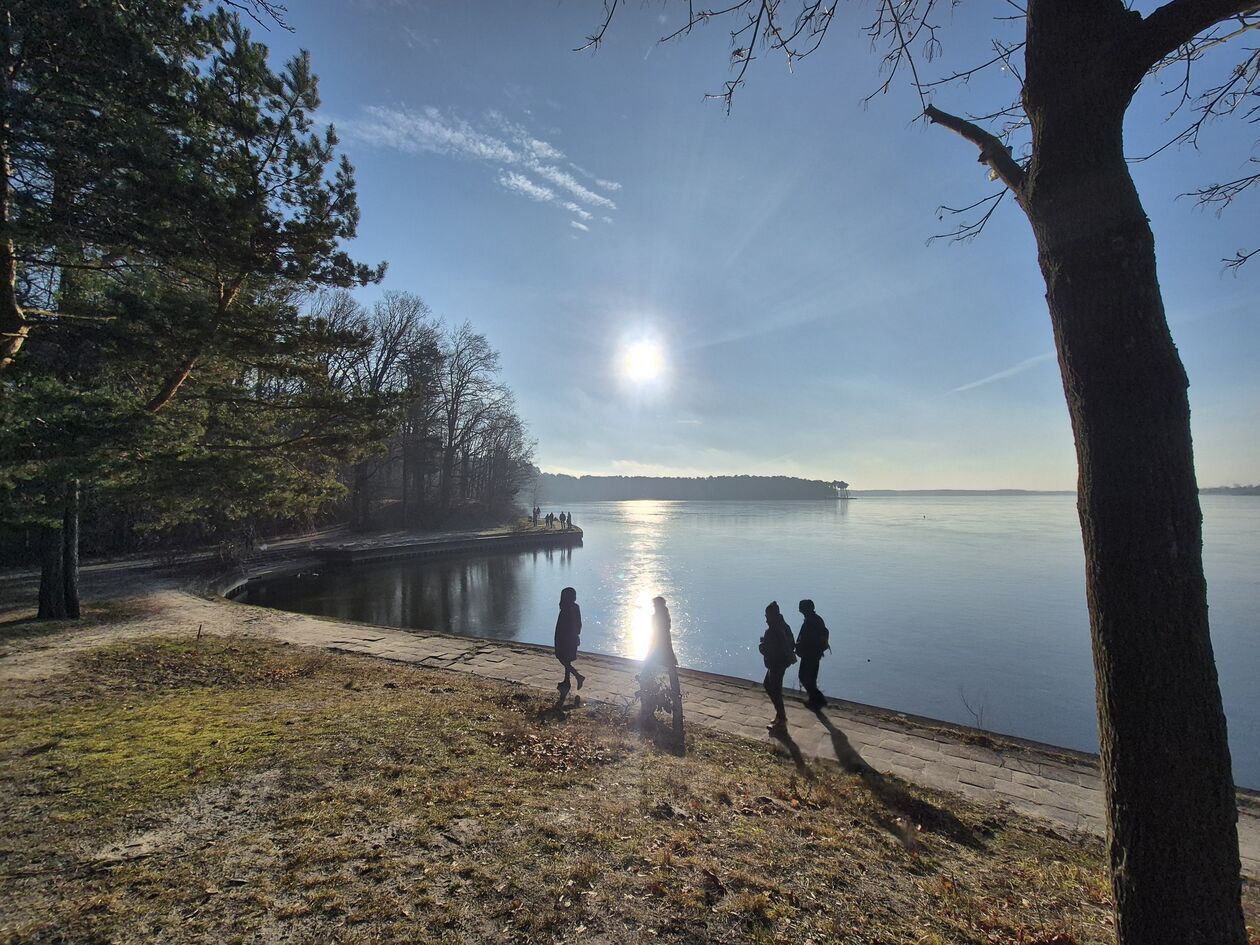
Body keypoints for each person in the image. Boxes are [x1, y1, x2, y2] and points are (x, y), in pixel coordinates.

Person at [639, 596, 679, 722]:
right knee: (670, 668)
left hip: (658, 647)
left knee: (647, 672)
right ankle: (672, 692)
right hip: (665, 645)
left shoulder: (656, 617)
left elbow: (654, 635)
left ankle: (648, 701)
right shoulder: (666, 615)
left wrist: (649, 651)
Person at [759, 601, 797, 732]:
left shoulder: (773, 630)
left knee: (774, 690)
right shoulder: (784, 625)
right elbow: (791, 642)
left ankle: (781, 719)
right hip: (782, 662)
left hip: (776, 664)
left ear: (772, 615)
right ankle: (779, 715)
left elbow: (768, 650)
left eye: (767, 615)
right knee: (769, 686)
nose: (765, 618)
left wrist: (761, 646)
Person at [796, 598, 831, 709]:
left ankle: (818, 699)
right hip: (815, 654)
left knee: (804, 676)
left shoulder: (810, 622)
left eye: (801, 607)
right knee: (810, 678)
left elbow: (807, 640)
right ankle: (815, 699)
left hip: (810, 654)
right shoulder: (816, 619)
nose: (800, 609)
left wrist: (797, 646)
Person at [554, 586, 585, 692]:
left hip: (565, 638)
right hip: (570, 637)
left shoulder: (567, 608)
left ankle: (577, 676)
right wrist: (577, 635)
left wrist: (573, 636)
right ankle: (567, 680)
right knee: (566, 659)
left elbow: (567, 625)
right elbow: (579, 623)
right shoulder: (575, 607)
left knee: (562, 658)